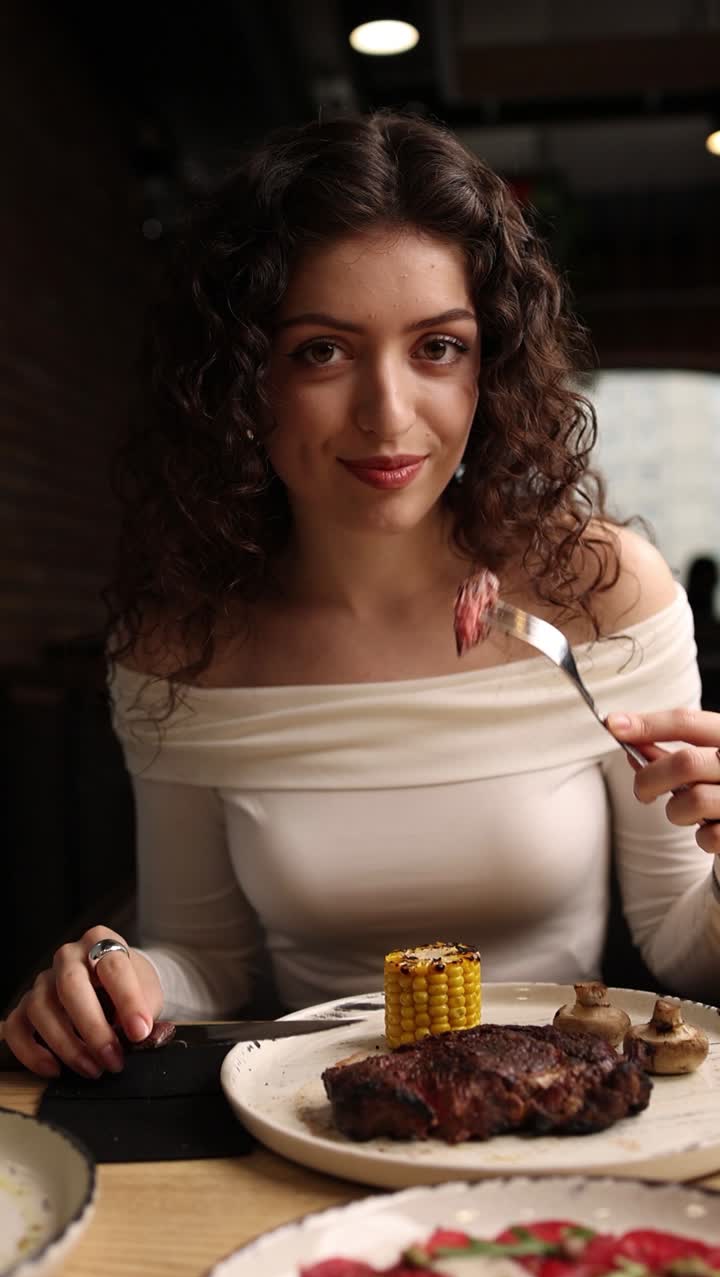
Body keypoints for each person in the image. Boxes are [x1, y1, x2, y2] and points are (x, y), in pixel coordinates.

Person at [4, 112, 720, 1081]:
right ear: (238, 377)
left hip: (567, 1115)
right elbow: (205, 957)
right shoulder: (182, 640)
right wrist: (108, 974)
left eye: (437, 347)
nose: (389, 416)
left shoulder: (597, 591)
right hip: (308, 1119)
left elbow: (684, 944)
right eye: (321, 352)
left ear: (490, 365)